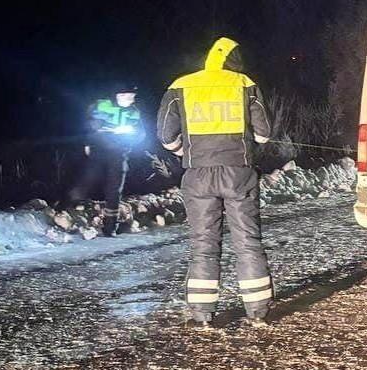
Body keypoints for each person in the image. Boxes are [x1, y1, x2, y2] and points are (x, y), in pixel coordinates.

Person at [157, 37, 273, 328]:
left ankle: (202, 315)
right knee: (248, 241)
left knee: (203, 245)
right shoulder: (244, 83)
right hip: (238, 173)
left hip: (198, 175)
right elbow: (264, 134)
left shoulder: (181, 85)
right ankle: (257, 311)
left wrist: (185, 151)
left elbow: (165, 136)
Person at [70, 86, 144, 236]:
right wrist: (88, 142)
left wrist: (129, 143)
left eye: (133, 96)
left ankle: (110, 227)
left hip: (119, 153)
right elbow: (88, 125)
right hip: (99, 151)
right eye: (129, 96)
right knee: (88, 181)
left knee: (114, 189)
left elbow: (141, 133)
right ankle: (67, 212)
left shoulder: (134, 112)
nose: (132, 99)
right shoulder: (103, 105)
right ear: (119, 95)